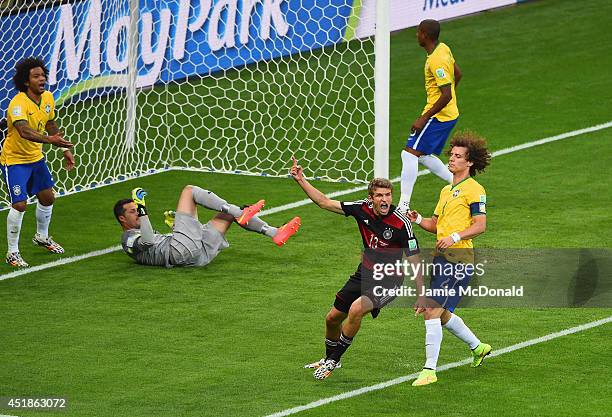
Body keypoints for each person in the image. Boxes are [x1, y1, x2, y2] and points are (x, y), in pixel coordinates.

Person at [290, 156, 421, 380]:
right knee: (332, 318)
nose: (384, 200)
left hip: (389, 280)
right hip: (364, 273)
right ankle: (329, 358)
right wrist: (301, 179)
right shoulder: (362, 209)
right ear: (371, 198)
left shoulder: (401, 222)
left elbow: (414, 256)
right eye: (379, 195)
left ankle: (333, 361)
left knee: (356, 310)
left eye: (388, 195)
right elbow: (324, 202)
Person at [407, 131, 491, 386]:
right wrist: (418, 219)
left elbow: (481, 225)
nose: (451, 159)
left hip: (459, 259)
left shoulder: (475, 190)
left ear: (470, 162)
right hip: (442, 258)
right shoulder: (446, 190)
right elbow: (436, 225)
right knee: (441, 314)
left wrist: (454, 237)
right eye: (451, 155)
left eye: (458, 156)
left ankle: (429, 370)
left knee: (431, 309)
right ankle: (478, 348)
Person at [1, 57, 75, 268]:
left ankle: (41, 236)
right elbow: (24, 131)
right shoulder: (18, 104)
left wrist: (63, 148)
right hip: (14, 161)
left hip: (36, 159)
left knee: (48, 198)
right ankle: (12, 252)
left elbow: (51, 123)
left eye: (43, 75)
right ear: (26, 81)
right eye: (36, 76)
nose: (41, 79)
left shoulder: (48, 98)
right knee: (19, 204)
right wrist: (50, 141)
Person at [114, 185, 301, 267]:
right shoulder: (127, 239)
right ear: (122, 219)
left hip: (197, 257)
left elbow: (153, 245)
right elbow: (146, 241)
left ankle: (275, 232)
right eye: (132, 211)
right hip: (180, 253)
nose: (137, 213)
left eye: (136, 209)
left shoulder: (138, 234)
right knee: (189, 191)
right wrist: (143, 209)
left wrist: (174, 229)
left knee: (229, 213)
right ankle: (241, 214)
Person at [398, 19, 462, 213]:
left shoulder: (436, 59)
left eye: (418, 32)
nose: (416, 35)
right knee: (424, 155)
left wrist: (424, 117)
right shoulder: (444, 48)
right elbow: (457, 75)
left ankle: (403, 206)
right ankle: (458, 183)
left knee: (409, 153)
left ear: (425, 35)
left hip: (439, 116)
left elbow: (447, 93)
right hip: (448, 113)